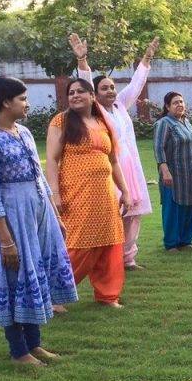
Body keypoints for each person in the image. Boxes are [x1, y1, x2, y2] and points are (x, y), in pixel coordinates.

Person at [0, 77, 78, 365]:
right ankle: (19, 351)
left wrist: (54, 217)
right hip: (12, 222)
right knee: (15, 280)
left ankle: (35, 343)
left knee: (33, 277)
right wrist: (6, 241)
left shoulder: (24, 133)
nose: (27, 104)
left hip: (37, 217)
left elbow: (40, 179)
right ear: (6, 102)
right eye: (22, 99)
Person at [69, 33, 155, 269]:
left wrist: (146, 59)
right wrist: (82, 62)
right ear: (95, 94)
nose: (111, 91)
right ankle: (109, 260)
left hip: (132, 170)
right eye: (104, 88)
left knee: (133, 214)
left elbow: (137, 85)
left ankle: (128, 258)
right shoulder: (96, 110)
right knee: (113, 215)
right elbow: (85, 82)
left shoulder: (120, 105)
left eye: (112, 87)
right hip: (110, 170)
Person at [46, 79, 133, 308]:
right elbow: (52, 161)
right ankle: (56, 295)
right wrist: (55, 194)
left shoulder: (103, 122)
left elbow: (113, 161)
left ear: (92, 96)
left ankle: (107, 295)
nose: (75, 95)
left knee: (110, 242)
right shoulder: (61, 121)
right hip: (76, 192)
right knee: (78, 243)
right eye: (71, 92)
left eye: (80, 91)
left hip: (105, 193)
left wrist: (124, 190)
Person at [153, 92, 192, 251]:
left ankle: (185, 241)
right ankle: (171, 243)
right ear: (167, 106)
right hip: (174, 174)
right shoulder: (164, 123)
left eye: (181, 102)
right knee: (173, 208)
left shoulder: (186, 122)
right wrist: (165, 170)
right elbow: (158, 147)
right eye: (175, 103)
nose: (179, 105)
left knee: (191, 206)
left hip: (191, 174)